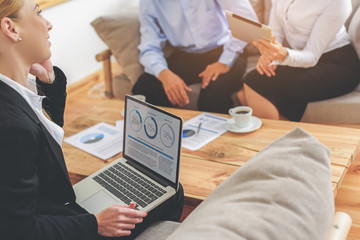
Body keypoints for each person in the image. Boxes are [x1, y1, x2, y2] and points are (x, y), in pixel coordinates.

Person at [0, 0, 184, 239]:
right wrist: (95, 224)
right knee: (172, 191)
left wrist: (48, 80)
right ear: (11, 29)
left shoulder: (14, 91)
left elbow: (43, 137)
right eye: (38, 13)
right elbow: (17, 230)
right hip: (60, 223)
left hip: (54, 209)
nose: (49, 24)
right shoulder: (11, 126)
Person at [237, 0, 360, 121]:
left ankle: (272, 137)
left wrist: (283, 55)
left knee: (253, 83)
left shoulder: (338, 2)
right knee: (242, 95)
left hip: (336, 65)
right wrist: (270, 57)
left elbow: (312, 55)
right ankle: (285, 137)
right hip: (300, 59)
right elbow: (276, 32)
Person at [132, 0, 258, 114]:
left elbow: (247, 19)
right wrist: (163, 73)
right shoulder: (148, 2)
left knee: (214, 96)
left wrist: (225, 62)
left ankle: (223, 139)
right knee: (144, 86)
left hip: (226, 50)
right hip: (185, 55)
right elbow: (149, 46)